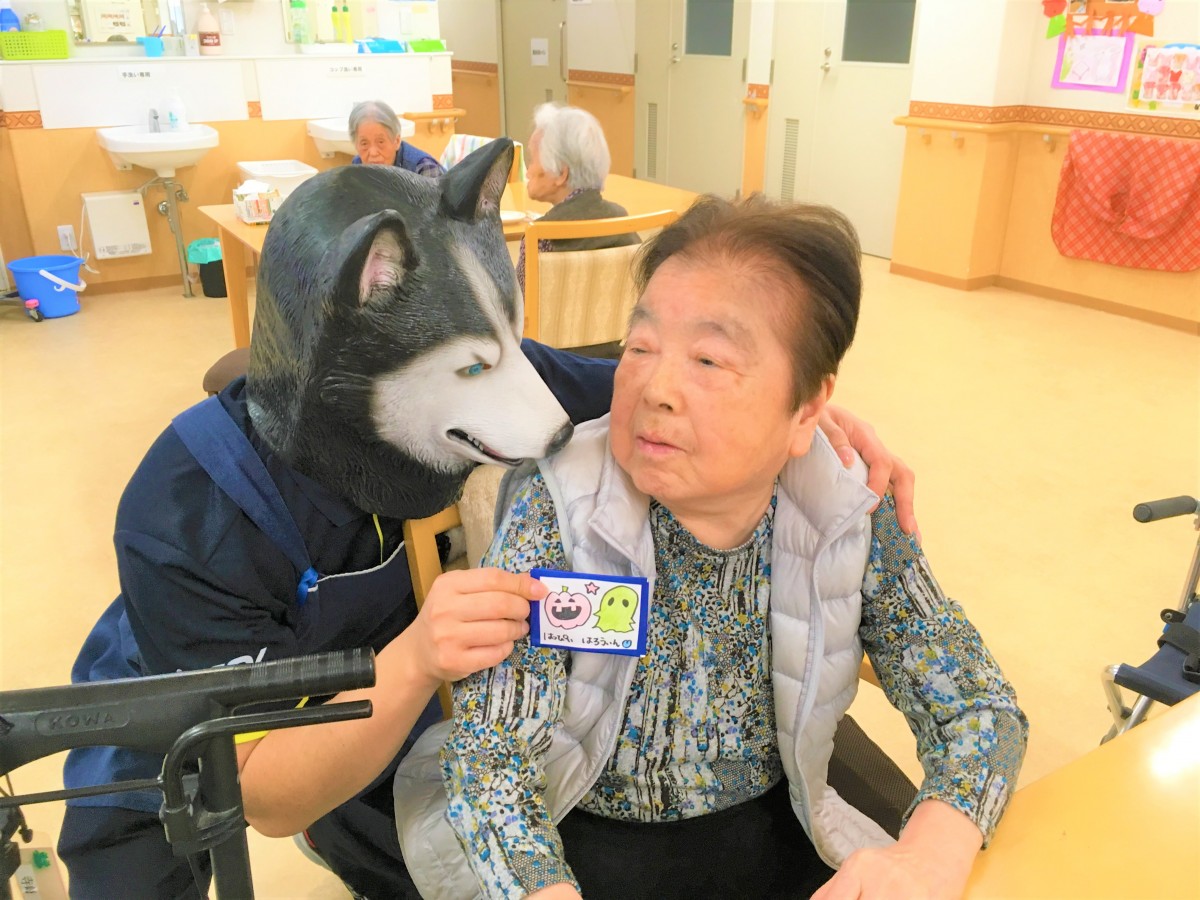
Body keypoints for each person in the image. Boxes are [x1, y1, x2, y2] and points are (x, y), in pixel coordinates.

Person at [55, 140, 915, 900]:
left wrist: (810, 421)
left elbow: (656, 396)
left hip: (412, 683)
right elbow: (269, 797)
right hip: (193, 696)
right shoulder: (187, 516)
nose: (532, 414)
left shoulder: (479, 365)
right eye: (476, 367)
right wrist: (416, 657)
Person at [396, 196, 1028, 900]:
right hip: (577, 832)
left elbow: (978, 706)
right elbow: (492, 758)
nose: (655, 388)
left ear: (808, 408)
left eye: (708, 359)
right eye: (640, 348)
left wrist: (930, 856)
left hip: (780, 816)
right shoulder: (560, 510)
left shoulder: (846, 507)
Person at [516, 103, 637, 294]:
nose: (528, 171)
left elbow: (520, 305)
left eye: (532, 160)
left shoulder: (541, 236)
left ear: (561, 174)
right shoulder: (621, 221)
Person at [349, 99, 445, 176]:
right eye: (364, 144)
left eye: (380, 142)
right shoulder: (358, 165)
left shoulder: (424, 168)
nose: (373, 153)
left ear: (397, 141)